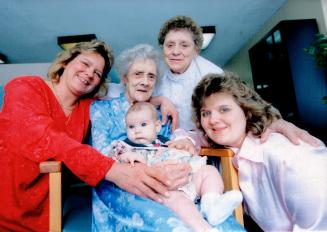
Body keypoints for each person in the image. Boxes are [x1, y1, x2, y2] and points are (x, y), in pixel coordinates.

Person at [0, 40, 175, 231]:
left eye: (98, 73)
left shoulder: (87, 107)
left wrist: (160, 100)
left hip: (48, 212)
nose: (90, 73)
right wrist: (112, 170)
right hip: (6, 207)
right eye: (85, 63)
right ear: (66, 61)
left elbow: (125, 92)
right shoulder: (24, 87)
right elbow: (42, 136)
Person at [90, 44, 245, 231]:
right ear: (125, 79)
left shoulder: (162, 114)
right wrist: (148, 170)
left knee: (224, 224)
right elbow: (100, 155)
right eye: (138, 74)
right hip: (122, 185)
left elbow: (173, 145)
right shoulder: (102, 109)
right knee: (171, 225)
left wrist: (184, 147)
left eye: (151, 76)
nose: (145, 82)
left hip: (173, 183)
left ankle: (211, 207)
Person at [191, 72, 327, 231]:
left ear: (246, 110)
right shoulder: (232, 148)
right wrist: (186, 140)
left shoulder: (290, 157)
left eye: (224, 109)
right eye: (206, 113)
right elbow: (190, 134)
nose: (212, 120)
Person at [108, 101, 243, 232]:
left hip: (187, 180)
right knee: (180, 202)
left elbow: (186, 150)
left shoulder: (167, 142)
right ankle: (204, 228)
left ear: (157, 126)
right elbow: (111, 159)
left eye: (143, 124)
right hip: (166, 190)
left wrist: (186, 151)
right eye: (131, 127)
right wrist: (125, 157)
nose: (137, 131)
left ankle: (211, 205)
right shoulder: (126, 146)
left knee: (209, 171)